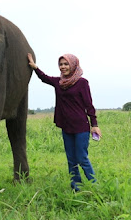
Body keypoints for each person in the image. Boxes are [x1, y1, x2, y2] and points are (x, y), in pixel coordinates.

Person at [27, 53, 101, 192]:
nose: (63, 67)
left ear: (73, 65)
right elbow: (44, 78)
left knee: (82, 158)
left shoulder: (82, 82)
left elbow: (89, 105)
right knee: (71, 160)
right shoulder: (59, 82)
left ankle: (94, 185)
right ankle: (76, 188)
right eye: (61, 64)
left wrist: (94, 125)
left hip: (81, 127)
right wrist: (34, 67)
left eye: (66, 64)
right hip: (66, 127)